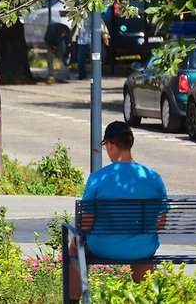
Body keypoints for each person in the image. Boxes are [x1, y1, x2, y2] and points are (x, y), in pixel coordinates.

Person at [68, 121, 168, 301]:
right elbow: (160, 224)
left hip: (103, 247)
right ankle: (145, 297)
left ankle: (74, 299)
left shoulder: (99, 178)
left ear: (111, 145)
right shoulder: (153, 177)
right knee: (142, 249)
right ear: (130, 143)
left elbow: (87, 223)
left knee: (75, 246)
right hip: (142, 248)